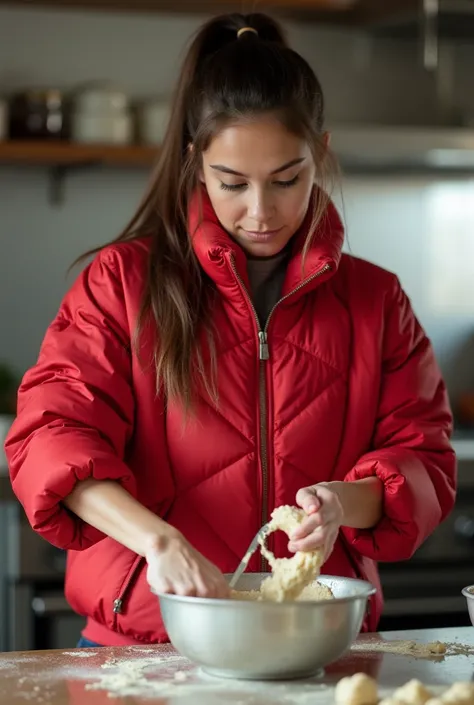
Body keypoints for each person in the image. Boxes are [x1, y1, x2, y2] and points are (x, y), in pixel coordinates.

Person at [5, 12, 456, 648]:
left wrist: (339, 504)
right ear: (195, 163)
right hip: (144, 646)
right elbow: (52, 438)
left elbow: (425, 461)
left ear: (320, 154)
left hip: (315, 642)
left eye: (287, 179)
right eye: (233, 183)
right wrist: (158, 541)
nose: (261, 211)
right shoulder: (120, 284)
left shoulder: (376, 301)